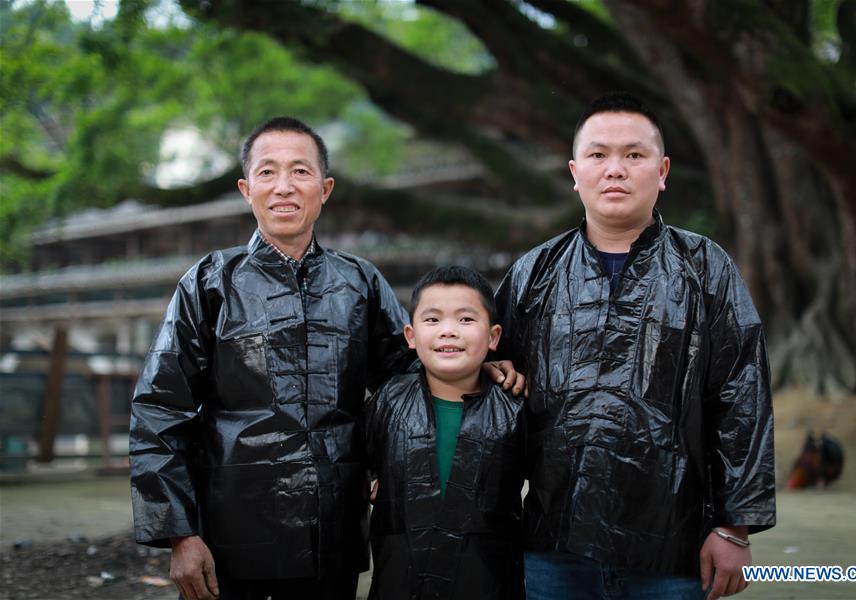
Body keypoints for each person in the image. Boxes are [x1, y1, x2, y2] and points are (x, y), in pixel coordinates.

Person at [129, 117, 523, 600]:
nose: (284, 187)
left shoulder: (358, 282)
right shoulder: (210, 283)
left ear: (325, 187)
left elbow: (410, 373)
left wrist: (477, 366)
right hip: (232, 531)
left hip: (334, 530)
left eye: (300, 171)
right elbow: (158, 407)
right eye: (268, 172)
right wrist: (180, 534)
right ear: (245, 188)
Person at [494, 92, 776, 600]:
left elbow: (742, 397)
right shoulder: (532, 274)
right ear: (575, 171)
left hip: (673, 545)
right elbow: (486, 380)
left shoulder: (705, 268)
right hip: (553, 541)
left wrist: (735, 526)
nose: (615, 170)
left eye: (634, 155)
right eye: (599, 155)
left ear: (662, 171)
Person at [365, 265, 527, 600]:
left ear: (494, 336)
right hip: (399, 581)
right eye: (433, 319)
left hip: (488, 582)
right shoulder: (388, 403)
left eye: (466, 320)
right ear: (410, 336)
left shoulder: (516, 408)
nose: (448, 331)